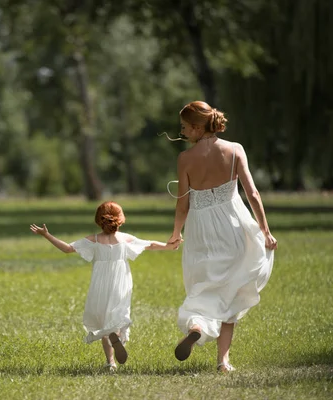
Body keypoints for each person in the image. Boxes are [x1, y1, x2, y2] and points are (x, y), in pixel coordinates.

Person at [166, 101, 278, 373]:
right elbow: (253, 194)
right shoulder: (234, 149)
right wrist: (265, 229)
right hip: (233, 224)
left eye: (184, 127)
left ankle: (196, 326)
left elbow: (183, 204)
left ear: (196, 127)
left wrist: (176, 233)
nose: (181, 132)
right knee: (233, 289)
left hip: (201, 229)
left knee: (202, 284)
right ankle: (223, 361)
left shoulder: (185, 159)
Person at [30, 201, 179, 372]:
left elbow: (68, 249)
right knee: (117, 314)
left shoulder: (93, 240)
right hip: (121, 282)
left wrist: (47, 235)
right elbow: (150, 244)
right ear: (120, 219)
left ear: (98, 220)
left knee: (102, 320)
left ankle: (111, 362)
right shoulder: (124, 239)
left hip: (100, 284)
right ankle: (116, 336)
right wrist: (169, 246)